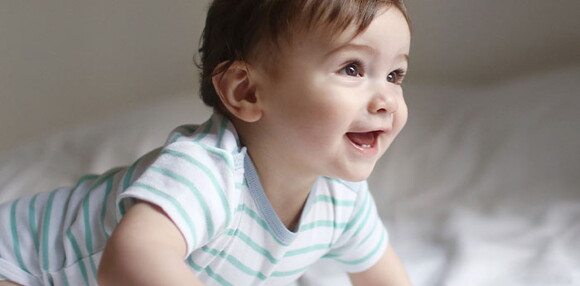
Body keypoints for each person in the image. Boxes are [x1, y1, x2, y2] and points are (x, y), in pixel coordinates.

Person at [0, 0, 413, 285]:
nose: (387, 101)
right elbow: (129, 260)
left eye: (395, 75)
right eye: (353, 68)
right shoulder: (205, 170)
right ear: (247, 92)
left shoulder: (343, 198)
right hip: (19, 264)